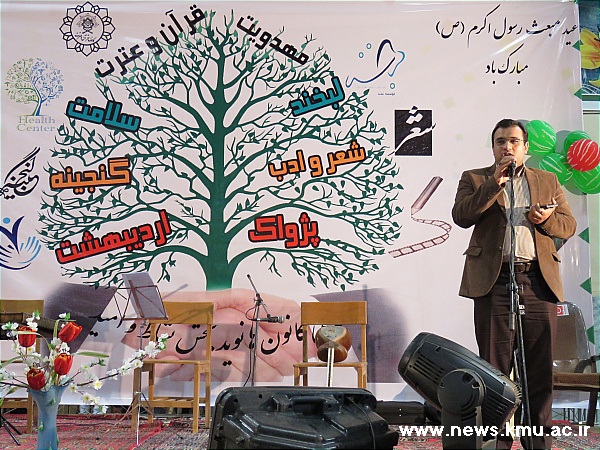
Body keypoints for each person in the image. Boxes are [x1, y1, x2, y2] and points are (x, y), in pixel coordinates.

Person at [452, 119, 577, 449]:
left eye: (513, 141)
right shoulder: (475, 178)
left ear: (526, 147)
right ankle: (495, 443)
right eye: (500, 142)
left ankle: (537, 443)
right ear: (493, 147)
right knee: (493, 372)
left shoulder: (547, 180)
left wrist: (546, 219)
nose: (506, 147)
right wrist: (493, 184)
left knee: (538, 370)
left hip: (537, 281)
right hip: (494, 283)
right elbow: (462, 216)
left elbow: (568, 225)